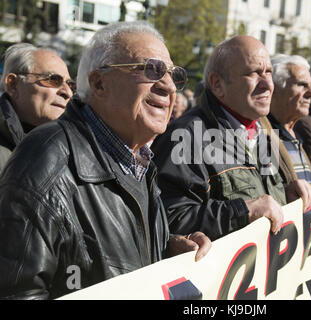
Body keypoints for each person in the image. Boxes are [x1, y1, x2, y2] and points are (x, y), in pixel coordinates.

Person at [0, 21, 211, 300]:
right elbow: (17, 291)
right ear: (99, 83)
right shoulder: (44, 159)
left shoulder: (139, 160)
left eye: (173, 74)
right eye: (151, 69)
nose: (169, 86)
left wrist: (166, 250)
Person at [151, 36, 311, 241]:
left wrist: (286, 194)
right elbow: (167, 219)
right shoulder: (186, 136)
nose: (267, 84)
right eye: (254, 73)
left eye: (269, 72)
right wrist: (242, 212)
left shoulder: (265, 135)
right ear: (217, 84)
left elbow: (263, 199)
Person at [0, 43, 75, 170]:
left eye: (71, 85)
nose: (67, 92)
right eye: (53, 79)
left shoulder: (74, 149)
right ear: (13, 85)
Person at [265, 53, 311, 186]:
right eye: (302, 84)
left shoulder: (294, 135)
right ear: (274, 88)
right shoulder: (261, 136)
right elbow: (266, 192)